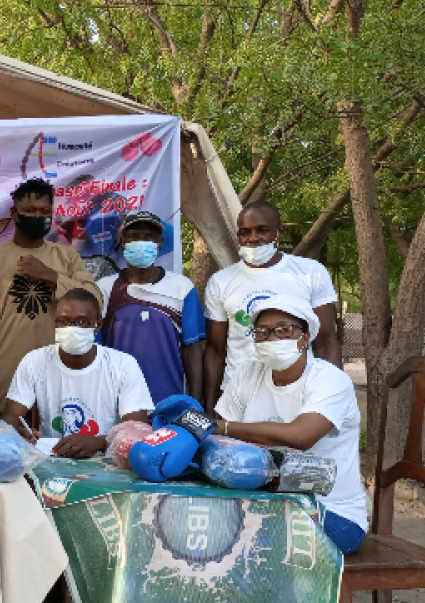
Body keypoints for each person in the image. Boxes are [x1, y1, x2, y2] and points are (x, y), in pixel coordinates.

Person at [214, 296, 367, 553]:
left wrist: (224, 427)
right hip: (263, 503)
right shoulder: (246, 374)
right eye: (262, 332)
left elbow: (300, 436)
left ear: (305, 338)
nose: (272, 338)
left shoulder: (330, 380)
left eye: (284, 330)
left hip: (331, 514)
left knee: (246, 544)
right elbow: (220, 443)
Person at [0, 178, 100, 416]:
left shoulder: (66, 257)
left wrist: (50, 276)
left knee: (56, 439)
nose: (37, 216)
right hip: (5, 370)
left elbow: (95, 300)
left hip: (60, 368)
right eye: (30, 211)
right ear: (15, 214)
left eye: (44, 211)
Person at [204, 201, 340, 412]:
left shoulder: (310, 273)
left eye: (263, 230)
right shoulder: (220, 281)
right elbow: (215, 351)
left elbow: (326, 341)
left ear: (280, 232)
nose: (253, 238)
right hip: (238, 397)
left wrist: (331, 397)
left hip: (298, 393)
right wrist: (210, 405)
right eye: (244, 232)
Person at [3, 289, 152, 458]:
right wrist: (20, 431)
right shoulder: (34, 361)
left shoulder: (123, 365)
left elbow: (138, 432)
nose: (72, 329)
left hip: (107, 465)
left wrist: (98, 443)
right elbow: (11, 417)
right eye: (63, 321)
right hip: (52, 460)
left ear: (98, 325)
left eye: (82, 321)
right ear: (55, 324)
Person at [97, 211, 205, 404]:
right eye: (133, 237)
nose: (141, 242)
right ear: (123, 242)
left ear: (160, 243)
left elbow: (193, 349)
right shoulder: (104, 288)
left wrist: (195, 402)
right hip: (117, 401)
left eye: (149, 237)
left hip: (170, 399)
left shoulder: (182, 288)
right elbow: (96, 349)